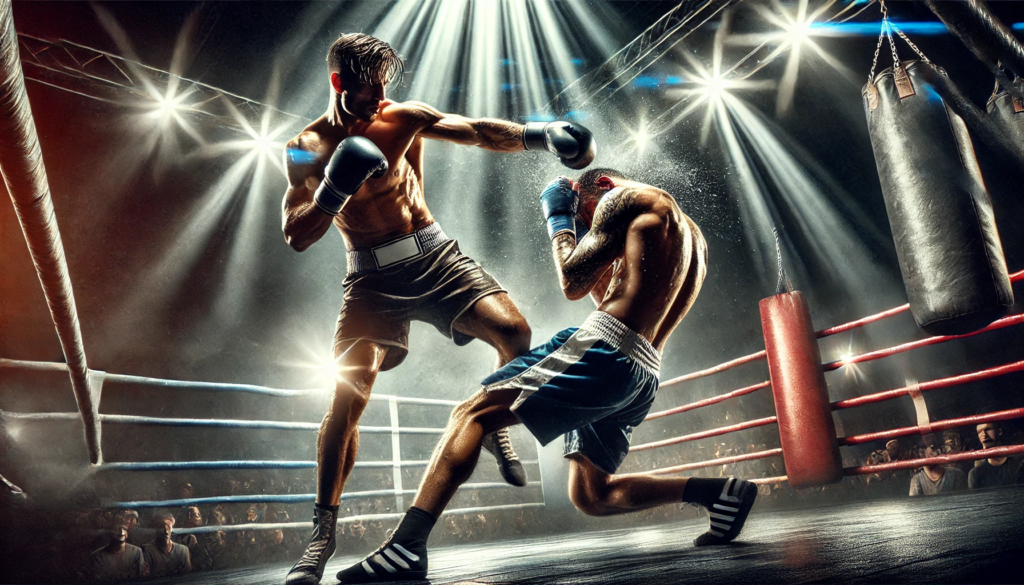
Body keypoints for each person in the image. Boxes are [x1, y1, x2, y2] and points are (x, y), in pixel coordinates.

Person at [336, 169, 759, 584]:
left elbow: (572, 282)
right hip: (643, 371)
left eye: (586, 216)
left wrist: (559, 220)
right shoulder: (691, 239)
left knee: (471, 415)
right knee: (592, 495)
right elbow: (606, 291)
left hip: (604, 349)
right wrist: (586, 235)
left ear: (602, 187)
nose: (589, 226)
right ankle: (717, 493)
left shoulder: (619, 198)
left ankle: (406, 546)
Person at [281, 33, 596, 585]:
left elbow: (475, 131)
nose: (380, 97)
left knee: (515, 332)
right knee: (346, 397)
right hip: (371, 281)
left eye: (385, 85)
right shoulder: (306, 146)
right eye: (368, 88)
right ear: (338, 83)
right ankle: (320, 537)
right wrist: (333, 191)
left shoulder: (401, 118)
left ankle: (491, 421)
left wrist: (540, 135)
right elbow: (296, 234)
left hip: (435, 257)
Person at [968, 422, 1022, 489]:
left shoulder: (1020, 464)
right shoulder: (976, 473)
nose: (984, 435)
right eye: (979, 432)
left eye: (988, 429)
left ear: (999, 431)